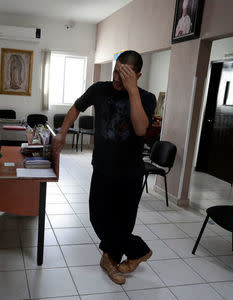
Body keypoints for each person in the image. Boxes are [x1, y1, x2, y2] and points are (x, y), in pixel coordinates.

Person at [53, 51, 156, 284]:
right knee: (98, 218)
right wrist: (62, 132)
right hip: (102, 168)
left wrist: (132, 91)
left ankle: (111, 263)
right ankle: (138, 249)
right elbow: (76, 107)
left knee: (123, 222)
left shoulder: (146, 98)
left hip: (130, 174)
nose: (117, 80)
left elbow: (141, 129)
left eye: (125, 75)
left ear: (137, 75)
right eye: (116, 72)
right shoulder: (99, 89)